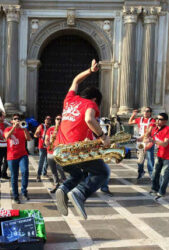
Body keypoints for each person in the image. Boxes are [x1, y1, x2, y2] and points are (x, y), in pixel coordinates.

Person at [54, 59, 110, 220]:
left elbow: (75, 80)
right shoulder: (90, 104)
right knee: (103, 172)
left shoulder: (69, 99)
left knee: (77, 175)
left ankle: (63, 189)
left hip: (59, 152)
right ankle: (80, 193)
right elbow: (89, 120)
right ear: (95, 100)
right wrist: (102, 136)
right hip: (74, 150)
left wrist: (90, 70)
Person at [147, 113, 169, 200]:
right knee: (155, 173)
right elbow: (146, 137)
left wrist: (154, 141)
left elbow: (165, 143)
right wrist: (149, 129)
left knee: (164, 174)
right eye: (156, 118)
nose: (157, 120)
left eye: (160, 119)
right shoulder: (155, 129)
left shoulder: (168, 130)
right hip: (160, 154)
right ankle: (154, 189)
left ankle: (161, 192)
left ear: (165, 121)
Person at [4, 114, 32, 204]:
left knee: (25, 172)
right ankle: (15, 195)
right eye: (15, 119)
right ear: (12, 121)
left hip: (23, 155)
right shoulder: (8, 129)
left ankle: (24, 191)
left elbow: (29, 139)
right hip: (11, 156)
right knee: (14, 176)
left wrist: (24, 129)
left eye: (18, 119)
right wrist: (14, 128)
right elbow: (6, 137)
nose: (17, 120)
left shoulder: (23, 129)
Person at [128, 107, 156, 179]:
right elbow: (129, 122)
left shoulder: (152, 120)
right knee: (140, 158)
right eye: (144, 111)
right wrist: (133, 115)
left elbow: (149, 131)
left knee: (150, 158)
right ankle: (141, 172)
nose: (145, 112)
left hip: (148, 141)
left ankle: (151, 174)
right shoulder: (139, 119)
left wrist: (142, 138)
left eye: (147, 111)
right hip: (140, 142)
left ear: (150, 113)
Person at [44, 115, 66, 193]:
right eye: (57, 119)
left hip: (59, 153)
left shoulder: (64, 129)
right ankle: (56, 184)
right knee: (53, 170)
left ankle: (65, 182)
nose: (59, 120)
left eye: (60, 119)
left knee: (60, 168)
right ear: (55, 120)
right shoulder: (50, 129)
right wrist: (47, 142)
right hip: (50, 152)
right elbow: (46, 139)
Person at [34, 115, 52, 182]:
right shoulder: (41, 126)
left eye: (49, 119)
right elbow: (35, 134)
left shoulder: (51, 127)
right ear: (44, 120)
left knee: (47, 161)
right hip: (42, 146)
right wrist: (37, 134)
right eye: (47, 119)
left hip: (48, 147)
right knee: (41, 161)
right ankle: (38, 175)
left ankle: (44, 173)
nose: (48, 120)